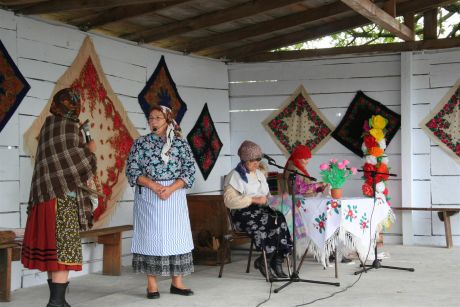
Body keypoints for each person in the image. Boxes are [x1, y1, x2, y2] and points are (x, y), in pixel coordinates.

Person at [21, 88, 97, 307]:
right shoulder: (70, 127)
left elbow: (57, 161)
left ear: (56, 104)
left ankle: (58, 301)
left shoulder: (48, 126)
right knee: (64, 251)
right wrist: (90, 149)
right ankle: (55, 303)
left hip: (43, 197)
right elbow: (78, 164)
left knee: (53, 252)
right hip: (62, 200)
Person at [126, 105, 196, 299]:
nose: (153, 122)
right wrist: (154, 186)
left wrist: (171, 188)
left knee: (176, 237)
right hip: (149, 196)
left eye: (157, 118)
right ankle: (151, 285)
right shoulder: (140, 143)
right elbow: (132, 171)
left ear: (168, 120)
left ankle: (177, 282)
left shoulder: (180, 144)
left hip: (174, 195)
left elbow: (189, 171)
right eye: (150, 118)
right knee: (151, 238)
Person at [223, 140, 292, 279]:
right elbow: (229, 201)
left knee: (280, 218)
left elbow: (267, 196)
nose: (256, 163)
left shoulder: (259, 174)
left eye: (258, 159)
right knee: (270, 222)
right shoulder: (234, 176)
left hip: (261, 210)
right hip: (243, 213)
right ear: (244, 160)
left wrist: (274, 201)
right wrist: (253, 200)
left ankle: (276, 261)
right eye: (252, 160)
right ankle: (264, 261)